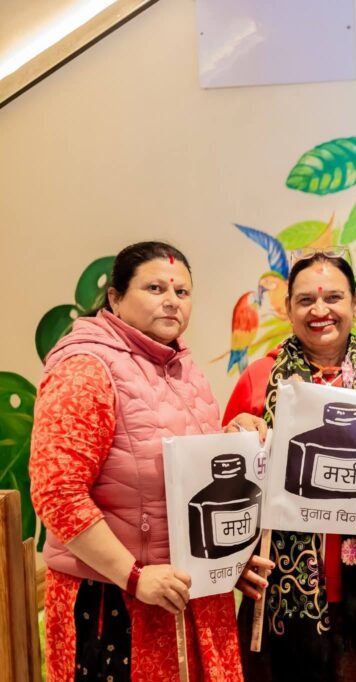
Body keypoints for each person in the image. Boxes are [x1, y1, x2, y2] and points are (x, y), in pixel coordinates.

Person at [224, 249, 356, 682]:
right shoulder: (259, 378)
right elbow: (230, 481)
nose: (319, 310)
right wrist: (236, 436)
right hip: (278, 589)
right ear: (288, 308)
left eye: (333, 298)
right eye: (305, 300)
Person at [29, 241, 243, 681]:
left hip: (185, 593)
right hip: (115, 602)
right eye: (155, 288)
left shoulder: (183, 368)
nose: (172, 301)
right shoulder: (85, 368)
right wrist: (132, 577)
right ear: (115, 297)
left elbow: (186, 475)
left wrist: (236, 435)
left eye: (182, 292)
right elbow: (57, 493)